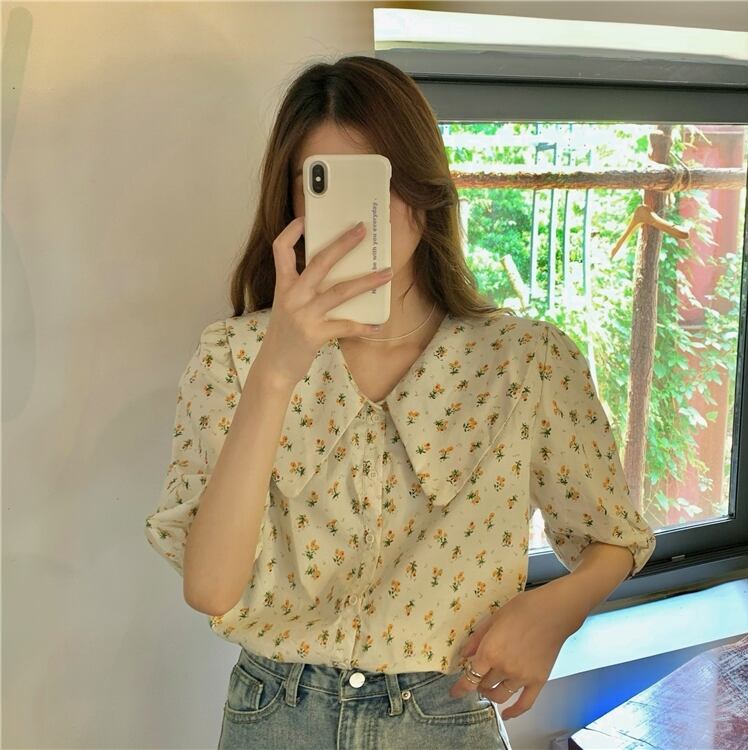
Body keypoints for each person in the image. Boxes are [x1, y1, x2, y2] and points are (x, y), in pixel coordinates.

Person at [144, 55, 656, 750]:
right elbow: (210, 588)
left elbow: (614, 536)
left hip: (446, 715)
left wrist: (556, 611)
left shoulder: (526, 360)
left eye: (380, 179)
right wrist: (277, 372)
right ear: (293, 204)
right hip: (275, 717)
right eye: (328, 183)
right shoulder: (232, 357)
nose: (365, 215)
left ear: (423, 188)